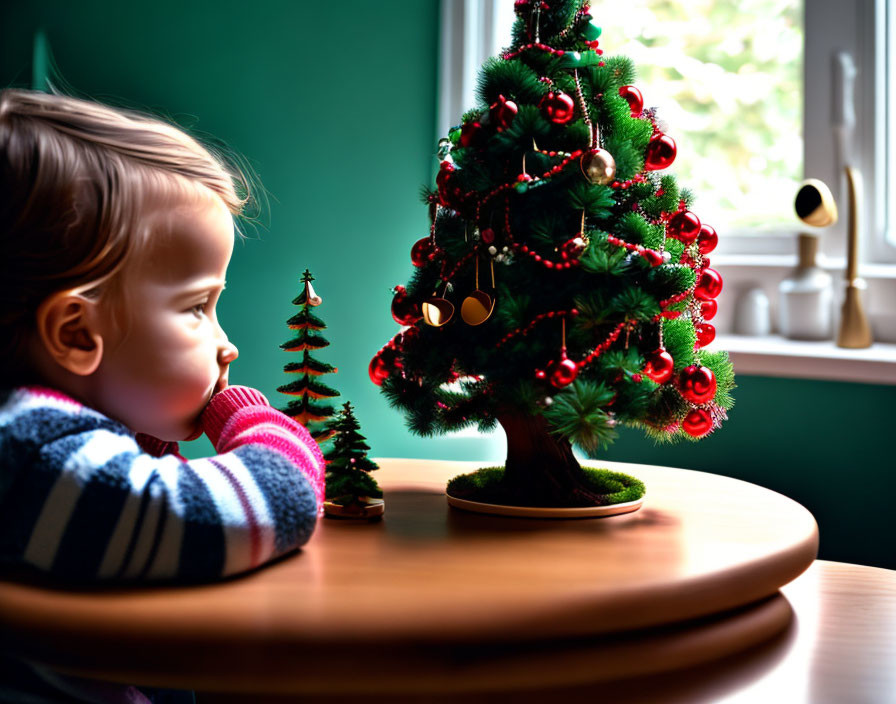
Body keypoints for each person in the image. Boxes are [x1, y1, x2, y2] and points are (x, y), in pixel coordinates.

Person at [0, 88, 325, 703]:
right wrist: (250, 418)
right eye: (198, 308)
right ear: (75, 333)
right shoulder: (35, 453)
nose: (226, 346)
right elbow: (270, 502)